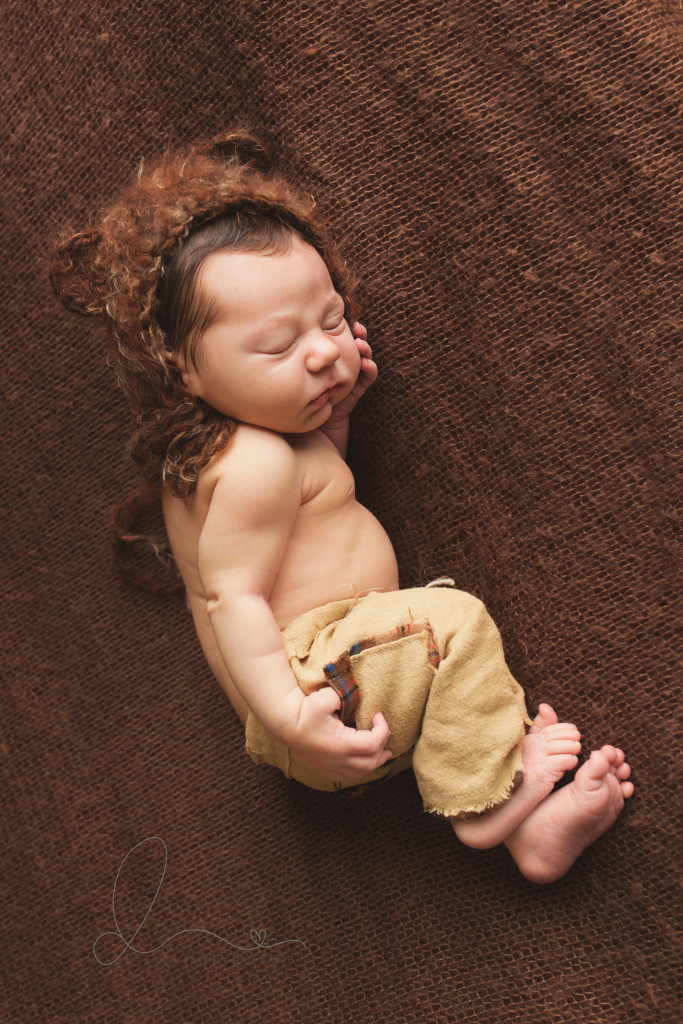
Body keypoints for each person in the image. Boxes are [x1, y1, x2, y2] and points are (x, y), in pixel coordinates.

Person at [51, 132, 633, 883]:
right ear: (185, 371)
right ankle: (490, 803)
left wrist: (331, 423)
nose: (325, 353)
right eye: (278, 347)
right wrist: (296, 719)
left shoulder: (221, 452)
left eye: (329, 320)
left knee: (430, 646)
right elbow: (235, 599)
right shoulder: (254, 462)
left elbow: (311, 502)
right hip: (316, 688)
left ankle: (525, 824)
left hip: (346, 688)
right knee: (452, 623)